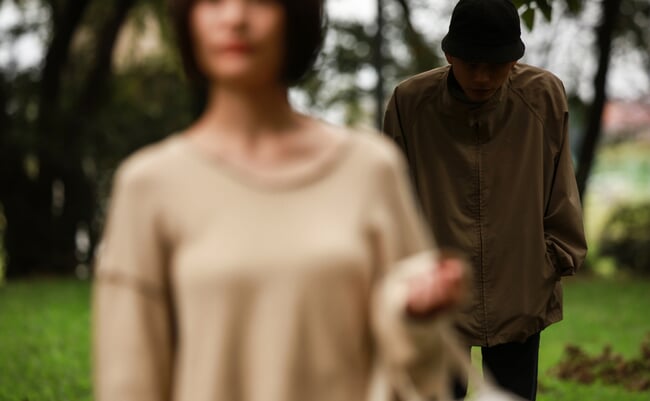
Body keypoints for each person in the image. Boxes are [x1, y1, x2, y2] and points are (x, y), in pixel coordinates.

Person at [92, 1, 468, 401]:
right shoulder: (149, 184)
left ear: (295, 15)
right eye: (213, 1)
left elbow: (424, 364)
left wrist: (416, 314)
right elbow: (127, 380)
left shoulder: (371, 169)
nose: (235, 18)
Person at [382, 0, 588, 400]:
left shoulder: (544, 95)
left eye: (495, 65)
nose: (482, 76)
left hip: (521, 283)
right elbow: (392, 198)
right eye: (471, 63)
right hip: (436, 292)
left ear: (514, 59)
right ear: (449, 55)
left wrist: (549, 260)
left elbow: (561, 184)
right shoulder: (411, 102)